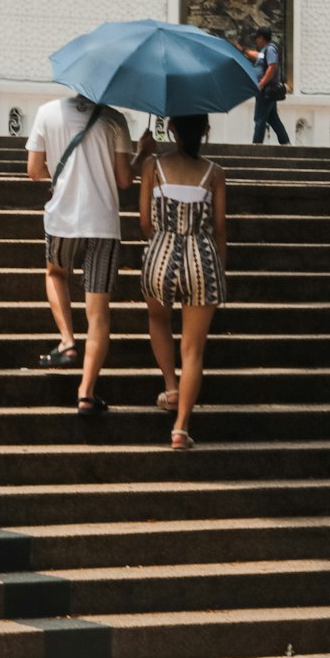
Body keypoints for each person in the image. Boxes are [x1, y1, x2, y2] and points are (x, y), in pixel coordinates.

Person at [26, 93, 155, 416]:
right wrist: (143, 154)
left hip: (62, 219)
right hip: (102, 224)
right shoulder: (115, 119)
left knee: (56, 273)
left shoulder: (47, 112)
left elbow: (33, 171)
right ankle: (86, 393)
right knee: (98, 312)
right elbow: (125, 179)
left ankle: (67, 341)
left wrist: (61, 175)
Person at [139, 114, 227, 450]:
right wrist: (220, 267)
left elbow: (145, 222)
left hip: (160, 252)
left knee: (158, 319)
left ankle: (170, 386)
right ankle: (180, 428)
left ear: (171, 128)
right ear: (206, 130)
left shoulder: (152, 167)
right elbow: (219, 229)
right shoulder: (215, 173)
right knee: (193, 350)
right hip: (202, 259)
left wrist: (164, 241)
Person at [239, 26, 290, 145]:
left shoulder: (270, 49)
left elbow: (272, 67)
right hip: (266, 90)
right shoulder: (265, 51)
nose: (256, 41)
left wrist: (261, 84)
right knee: (273, 119)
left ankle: (257, 145)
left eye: (257, 38)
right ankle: (286, 143)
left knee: (260, 118)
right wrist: (243, 50)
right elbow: (257, 56)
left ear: (261, 38)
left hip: (266, 90)